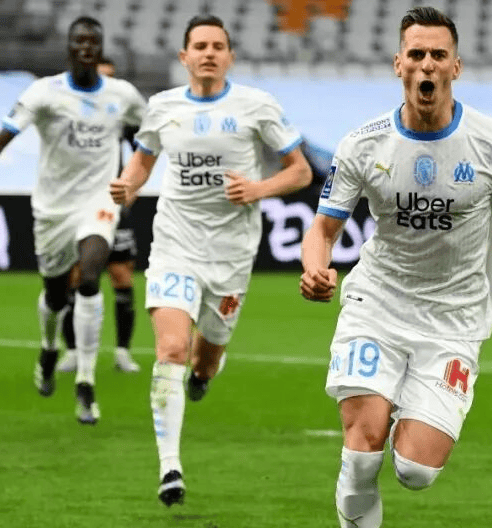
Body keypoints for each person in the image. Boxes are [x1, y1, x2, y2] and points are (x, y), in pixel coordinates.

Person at [300, 7, 492, 527]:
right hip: (377, 306)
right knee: (362, 452)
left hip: (454, 321)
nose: (427, 64)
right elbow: (323, 229)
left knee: (416, 470)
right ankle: (366, 443)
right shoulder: (363, 143)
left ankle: (402, 412)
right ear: (399, 64)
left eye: (438, 54)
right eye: (416, 54)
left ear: (456, 66)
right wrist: (315, 268)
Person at [109, 15, 312, 507]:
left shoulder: (256, 106)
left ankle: (203, 375)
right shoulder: (162, 107)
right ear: (184, 57)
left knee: (204, 358)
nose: (208, 53)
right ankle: (170, 467)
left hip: (231, 255)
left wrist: (258, 188)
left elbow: (301, 171)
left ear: (230, 57)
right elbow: (142, 161)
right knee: (171, 349)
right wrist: (127, 185)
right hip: (175, 245)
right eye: (199, 46)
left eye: (217, 46)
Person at [0, 16, 147, 424]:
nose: (85, 47)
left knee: (90, 277)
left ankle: (85, 381)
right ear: (69, 48)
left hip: (99, 202)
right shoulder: (44, 92)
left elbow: (147, 140)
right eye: (79, 41)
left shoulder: (122, 94)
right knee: (54, 295)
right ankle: (49, 348)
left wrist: (133, 180)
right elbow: (7, 133)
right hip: (53, 209)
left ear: (99, 50)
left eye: (92, 42)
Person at [57, 56, 141, 374]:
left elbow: (143, 152)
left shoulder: (121, 114)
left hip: (112, 204)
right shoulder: (68, 113)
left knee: (121, 275)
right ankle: (73, 351)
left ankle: (122, 352)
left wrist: (131, 186)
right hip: (76, 205)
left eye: (111, 77)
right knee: (75, 276)